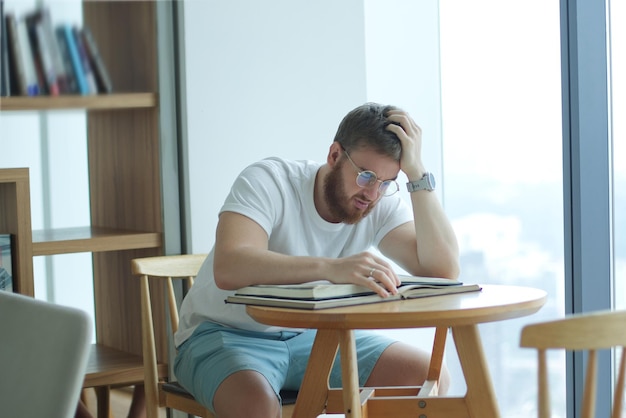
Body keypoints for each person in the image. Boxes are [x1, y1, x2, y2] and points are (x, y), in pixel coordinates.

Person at [174, 103, 460, 418]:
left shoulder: (377, 201)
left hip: (312, 334)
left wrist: (417, 172)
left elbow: (444, 270)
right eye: (365, 176)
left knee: (426, 378)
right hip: (223, 332)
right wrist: (331, 269)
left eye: (386, 182)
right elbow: (229, 267)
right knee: (255, 407)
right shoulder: (271, 180)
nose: (372, 194)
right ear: (334, 155)